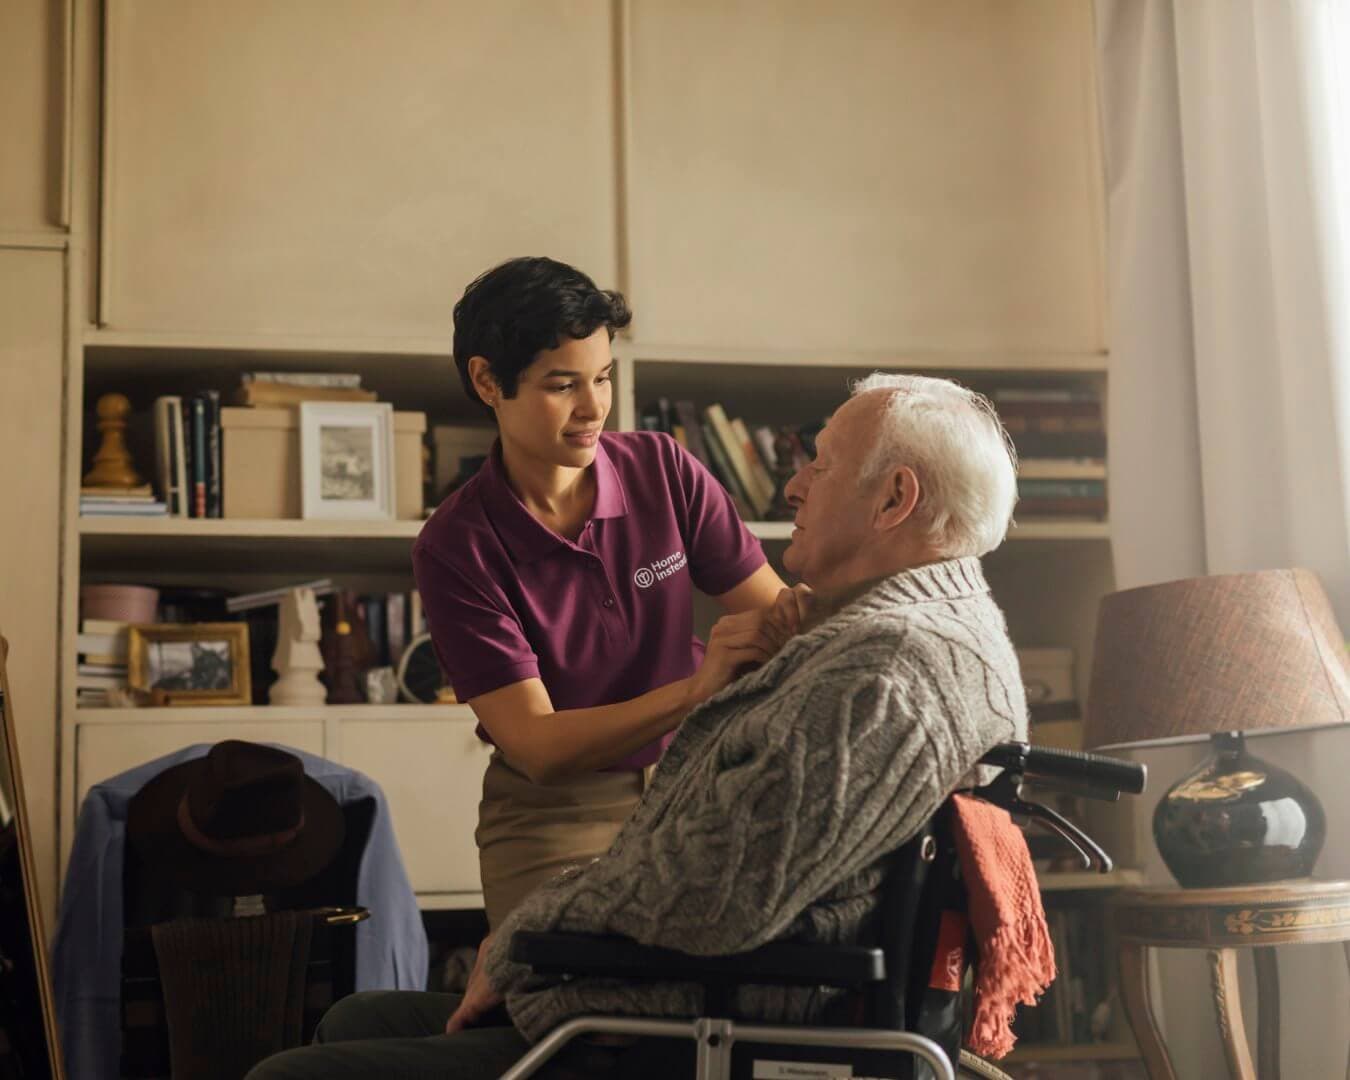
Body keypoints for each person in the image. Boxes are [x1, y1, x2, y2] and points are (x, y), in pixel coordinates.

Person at [247, 371, 1028, 1080]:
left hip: (717, 1020)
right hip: (713, 968)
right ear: (491, 385)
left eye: (818, 464)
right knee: (358, 1017)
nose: (792, 486)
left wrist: (524, 937)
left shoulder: (883, 671)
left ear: (894, 501)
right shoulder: (930, 632)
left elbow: (717, 896)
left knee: (291, 1073)